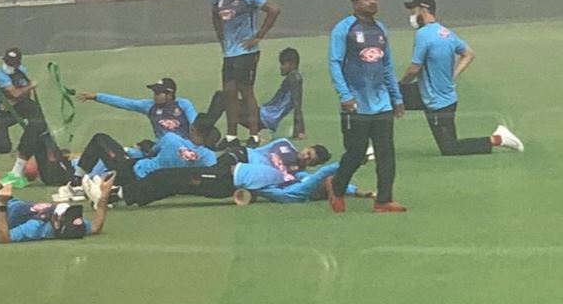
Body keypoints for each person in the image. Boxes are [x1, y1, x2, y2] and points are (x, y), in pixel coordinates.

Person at [399, 0, 524, 156]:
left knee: (450, 148)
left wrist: (401, 84)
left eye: (414, 12)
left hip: (437, 101)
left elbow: (414, 69)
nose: (412, 17)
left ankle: (498, 138)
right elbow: (468, 53)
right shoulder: (446, 33)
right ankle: (376, 146)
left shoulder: (423, 34)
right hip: (431, 93)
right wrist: (452, 76)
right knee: (386, 98)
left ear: (424, 10)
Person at [85, 141, 374, 208]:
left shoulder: (296, 181)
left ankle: (114, 195)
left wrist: (351, 169)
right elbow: (256, 149)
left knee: (170, 180)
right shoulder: (283, 146)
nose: (307, 156)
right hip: (228, 166)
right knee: (170, 179)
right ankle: (118, 193)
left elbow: (328, 179)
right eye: (310, 151)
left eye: (312, 159)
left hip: (229, 181)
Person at [327, 0, 406, 213]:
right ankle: (338, 187)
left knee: (386, 153)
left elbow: (387, 64)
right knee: (356, 153)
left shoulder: (380, 29)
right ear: (355, 3)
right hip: (356, 104)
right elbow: (334, 63)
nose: (373, 2)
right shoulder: (344, 29)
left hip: (381, 103)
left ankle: (383, 200)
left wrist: (396, 96)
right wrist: (345, 95)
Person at [53, 114, 219, 202]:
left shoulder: (172, 138)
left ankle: (76, 183)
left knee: (100, 139)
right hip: (159, 185)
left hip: (133, 172)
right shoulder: (209, 157)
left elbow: (151, 153)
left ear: (193, 128)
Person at [0, 47, 72, 188]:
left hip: (11, 109)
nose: (9, 66)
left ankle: (43, 140)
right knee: (3, 147)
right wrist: (30, 87)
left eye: (12, 63)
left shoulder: (22, 71)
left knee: (35, 114)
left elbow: (21, 97)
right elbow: (15, 93)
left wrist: (18, 99)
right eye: (7, 63)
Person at [212, 0, 281, 149]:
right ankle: (231, 136)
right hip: (229, 53)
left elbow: (273, 9)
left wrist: (258, 36)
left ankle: (254, 134)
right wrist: (222, 39)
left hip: (246, 52)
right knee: (229, 93)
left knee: (247, 92)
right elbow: (215, 17)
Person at [204, 47, 305, 141]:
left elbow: (297, 105)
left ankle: (204, 130)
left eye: (283, 64)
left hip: (263, 117)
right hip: (263, 115)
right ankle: (205, 129)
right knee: (224, 98)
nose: (281, 68)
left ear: (292, 64)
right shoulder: (293, 78)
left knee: (222, 98)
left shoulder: (295, 78)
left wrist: (299, 130)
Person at [76, 77, 197, 139]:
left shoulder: (184, 104)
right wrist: (97, 96)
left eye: (158, 93)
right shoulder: (149, 106)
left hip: (185, 149)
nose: (154, 95)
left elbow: (196, 125)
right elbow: (124, 102)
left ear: (169, 95)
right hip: (163, 149)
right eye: (154, 92)